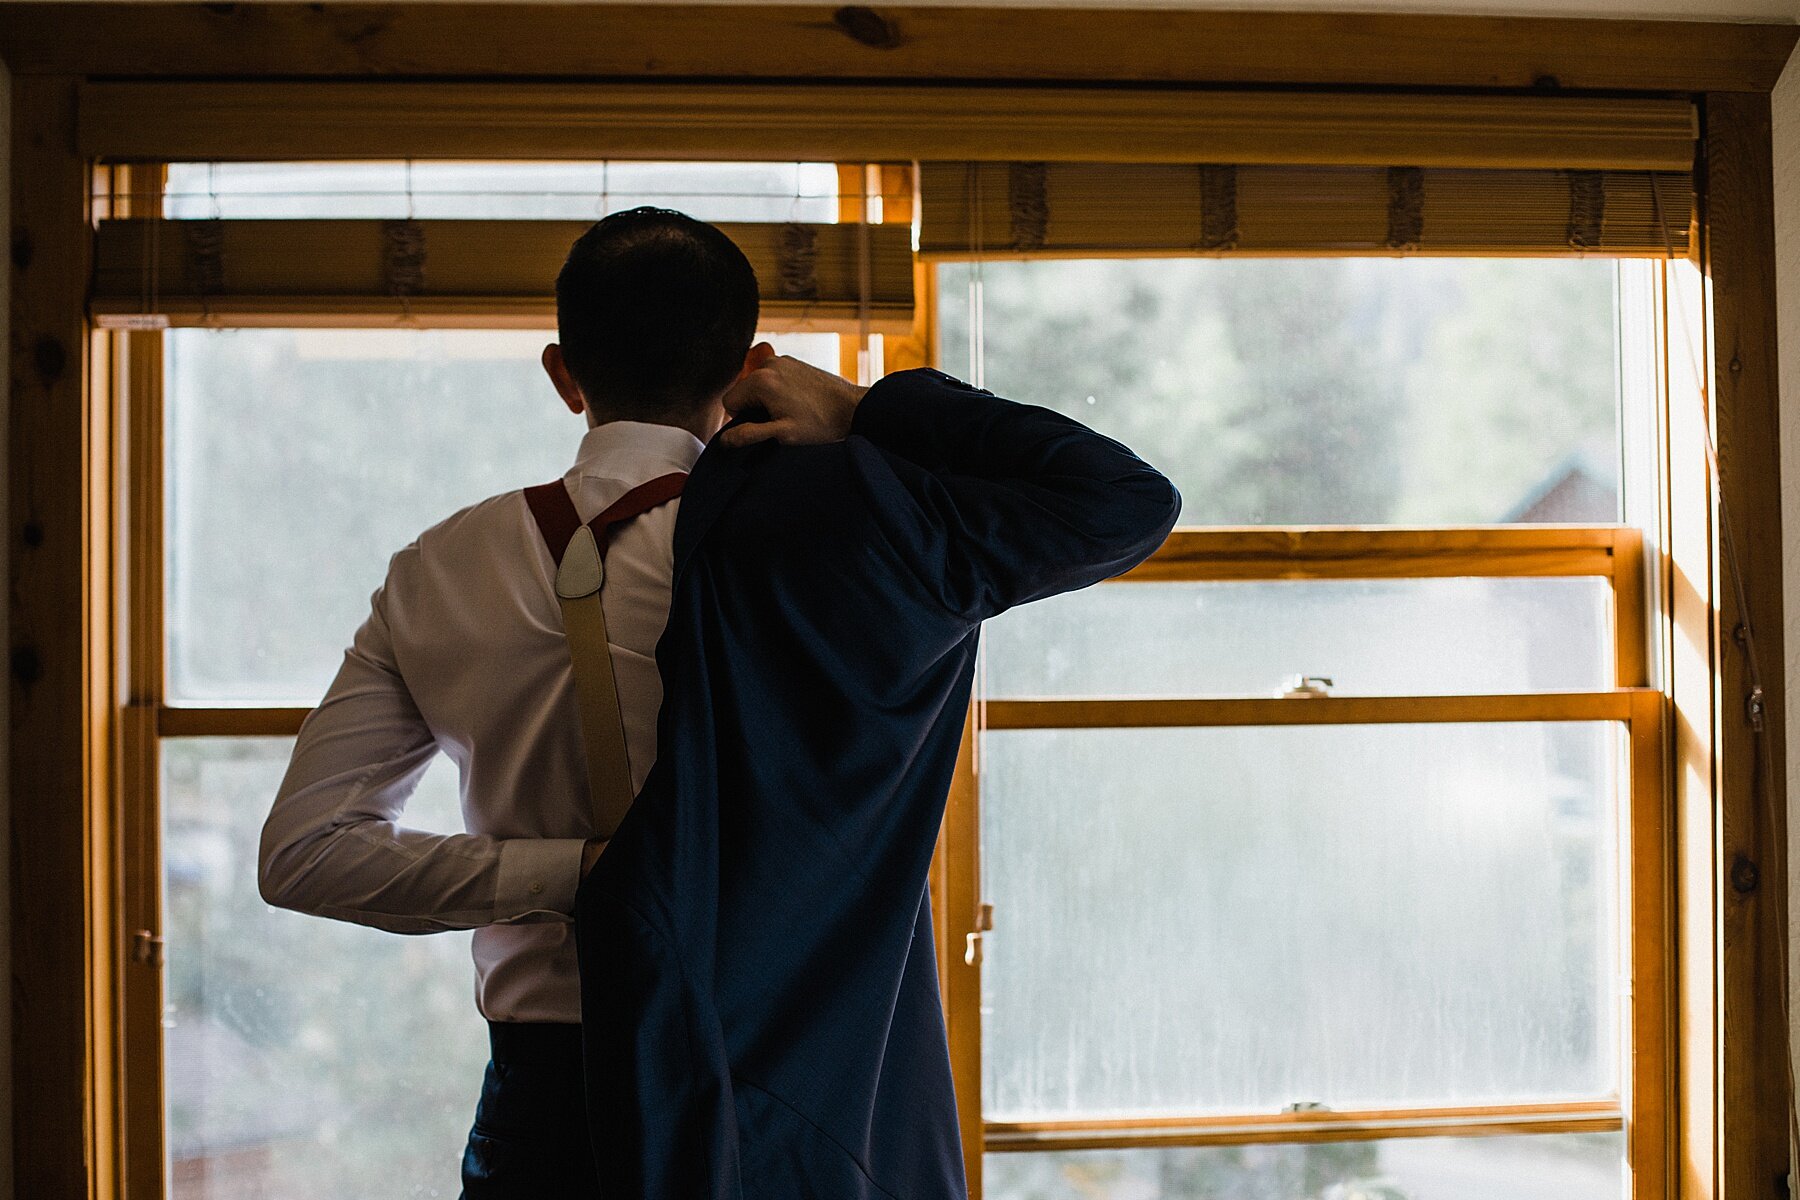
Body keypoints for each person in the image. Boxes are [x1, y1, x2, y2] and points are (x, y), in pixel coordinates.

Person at [258, 207, 770, 1196]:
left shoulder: (442, 569)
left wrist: (574, 875)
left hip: (545, 1106)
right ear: (750, 366)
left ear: (562, 371)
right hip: (766, 1076)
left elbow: (305, 856)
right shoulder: (800, 541)